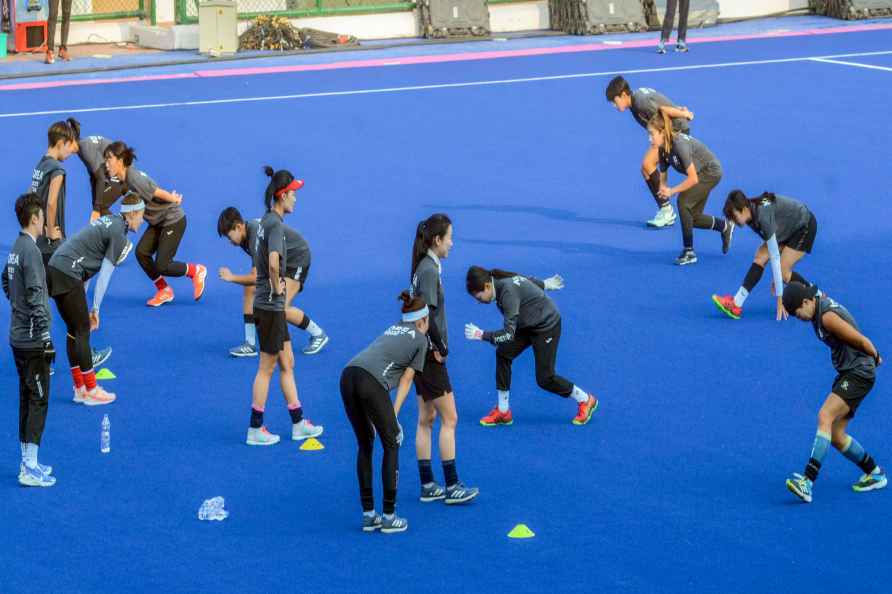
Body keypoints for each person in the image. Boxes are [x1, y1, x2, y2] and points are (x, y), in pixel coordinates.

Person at [782, 283, 886, 503]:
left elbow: (858, 338)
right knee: (837, 436)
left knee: (825, 416)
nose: (798, 318)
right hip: (850, 371)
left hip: (858, 372)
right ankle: (875, 473)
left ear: (807, 302)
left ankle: (807, 482)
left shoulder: (826, 316)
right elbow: (805, 284)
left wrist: (875, 356)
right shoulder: (814, 304)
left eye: (798, 313)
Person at [245, 169, 324, 446]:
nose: (296, 199)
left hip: (269, 307)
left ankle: (299, 422)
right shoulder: (275, 225)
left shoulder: (266, 221)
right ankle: (255, 428)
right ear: (281, 195)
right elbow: (275, 261)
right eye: (293, 193)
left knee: (287, 363)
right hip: (270, 306)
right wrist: (279, 288)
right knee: (267, 367)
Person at [341, 291, 430, 533]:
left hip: (348, 375)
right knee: (392, 442)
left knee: (365, 443)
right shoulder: (421, 340)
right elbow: (407, 379)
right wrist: (394, 416)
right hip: (370, 382)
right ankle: (389, 516)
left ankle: (369, 514)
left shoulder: (394, 327)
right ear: (422, 321)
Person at [464, 267, 598, 426]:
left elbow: (508, 335)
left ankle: (585, 399)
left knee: (545, 378)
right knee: (503, 353)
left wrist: (482, 335)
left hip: (546, 326)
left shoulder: (507, 293)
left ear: (487, 286)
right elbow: (523, 279)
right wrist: (544, 284)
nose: (478, 301)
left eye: (478, 297)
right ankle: (503, 410)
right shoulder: (499, 281)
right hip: (527, 324)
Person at [47, 194, 147, 406]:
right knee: (82, 329)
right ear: (133, 213)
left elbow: (87, 267)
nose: (142, 220)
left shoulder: (110, 222)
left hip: (56, 268)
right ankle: (91, 390)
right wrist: (95, 309)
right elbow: (104, 275)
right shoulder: (119, 233)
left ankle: (79, 389)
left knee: (73, 330)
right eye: (142, 216)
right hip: (68, 272)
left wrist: (83, 299)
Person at [409, 214, 478, 505]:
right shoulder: (428, 270)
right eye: (449, 237)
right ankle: (452, 486)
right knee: (450, 418)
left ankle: (427, 484)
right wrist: (440, 346)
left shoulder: (424, 266)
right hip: (429, 354)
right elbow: (425, 314)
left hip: (417, 352)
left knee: (427, 418)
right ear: (437, 240)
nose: (452, 242)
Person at [102, 141, 207, 307]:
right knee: (142, 252)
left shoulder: (134, 178)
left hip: (172, 220)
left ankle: (196, 271)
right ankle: (164, 290)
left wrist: (174, 199)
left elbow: (157, 192)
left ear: (121, 161)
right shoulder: (123, 180)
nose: (106, 163)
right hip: (157, 221)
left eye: (109, 159)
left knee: (163, 265)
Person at [4, 194, 56, 487]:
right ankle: (29, 468)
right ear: (35, 218)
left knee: (26, 397)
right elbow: (36, 293)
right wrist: (46, 336)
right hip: (32, 341)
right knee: (38, 399)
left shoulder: (15, 248)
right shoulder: (32, 252)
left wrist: (17, 307)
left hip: (17, 337)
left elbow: (5, 281)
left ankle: (28, 460)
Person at [712, 191, 817, 320]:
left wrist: (780, 299)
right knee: (760, 257)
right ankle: (736, 304)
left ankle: (816, 295)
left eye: (734, 216)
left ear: (744, 209)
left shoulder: (762, 216)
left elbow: (774, 257)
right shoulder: (751, 211)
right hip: (786, 228)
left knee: (783, 273)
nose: (733, 221)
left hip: (803, 226)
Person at [605, 76, 694, 228]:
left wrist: (685, 114)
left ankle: (668, 211)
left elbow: (663, 111)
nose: (614, 105)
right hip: (666, 130)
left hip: (674, 130)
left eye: (615, 101)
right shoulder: (636, 99)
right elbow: (662, 102)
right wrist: (680, 109)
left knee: (647, 163)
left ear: (624, 95)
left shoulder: (640, 103)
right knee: (645, 169)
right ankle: (666, 209)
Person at [647, 112, 733, 265]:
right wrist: (662, 188)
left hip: (710, 172)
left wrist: (672, 191)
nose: (649, 138)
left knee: (683, 202)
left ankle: (689, 251)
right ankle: (724, 226)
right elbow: (663, 173)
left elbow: (693, 178)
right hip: (701, 173)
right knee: (692, 218)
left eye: (652, 134)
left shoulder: (679, 145)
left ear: (662, 132)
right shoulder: (662, 148)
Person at [217, 208, 261, 357]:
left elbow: (256, 277)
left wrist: (232, 277)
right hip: (278, 264)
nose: (230, 242)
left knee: (280, 307)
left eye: (229, 237)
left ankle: (317, 333)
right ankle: (250, 344)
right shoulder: (244, 238)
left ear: (238, 226)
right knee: (249, 289)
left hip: (294, 261)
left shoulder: (254, 233)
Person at [65, 118, 127, 221]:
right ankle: (115, 230)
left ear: (72, 141)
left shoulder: (85, 149)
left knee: (100, 206)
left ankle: (119, 230)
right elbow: (93, 175)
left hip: (122, 174)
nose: (65, 149)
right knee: (98, 204)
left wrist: (96, 209)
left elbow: (100, 178)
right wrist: (94, 202)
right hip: (112, 172)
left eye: (65, 145)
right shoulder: (82, 147)